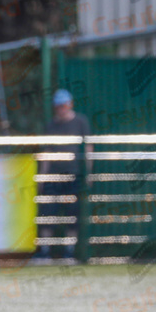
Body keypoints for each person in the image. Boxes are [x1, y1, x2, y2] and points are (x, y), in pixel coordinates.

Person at [38, 89, 92, 259]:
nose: (61, 109)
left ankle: (69, 252)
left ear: (70, 105)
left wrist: (89, 173)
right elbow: (46, 153)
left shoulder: (80, 122)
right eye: (58, 106)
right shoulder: (51, 125)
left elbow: (89, 148)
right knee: (47, 213)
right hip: (53, 177)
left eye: (63, 105)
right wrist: (42, 176)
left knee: (72, 214)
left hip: (72, 175)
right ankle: (45, 252)